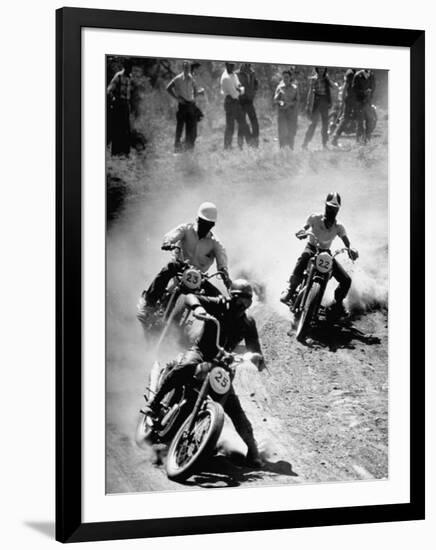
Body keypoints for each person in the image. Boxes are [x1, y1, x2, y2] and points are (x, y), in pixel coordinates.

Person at [144, 279, 265, 467]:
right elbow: (190, 296)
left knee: (233, 407)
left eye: (247, 301)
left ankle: (253, 448)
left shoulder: (248, 322)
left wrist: (257, 357)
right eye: (240, 299)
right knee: (185, 367)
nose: (243, 304)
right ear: (231, 296)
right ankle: (155, 402)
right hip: (201, 352)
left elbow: (254, 347)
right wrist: (198, 308)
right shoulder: (218, 304)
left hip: (223, 366)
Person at [137, 202, 232, 320]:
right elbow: (171, 236)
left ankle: (220, 328)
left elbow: (222, 263)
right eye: (202, 223)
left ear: (212, 225)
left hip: (199, 277)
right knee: (169, 267)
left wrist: (226, 278)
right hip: (179, 268)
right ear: (197, 219)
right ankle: (149, 304)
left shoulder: (215, 243)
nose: (204, 227)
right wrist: (168, 243)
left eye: (208, 225)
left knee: (220, 299)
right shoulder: (186, 229)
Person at [280, 192, 359, 316]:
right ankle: (290, 290)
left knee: (346, 280)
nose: (331, 210)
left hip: (326, 254)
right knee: (303, 258)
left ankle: (337, 304)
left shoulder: (339, 227)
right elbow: (305, 227)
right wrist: (301, 232)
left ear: (338, 209)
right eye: (329, 207)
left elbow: (346, 241)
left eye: (334, 208)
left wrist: (351, 249)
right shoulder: (315, 218)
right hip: (312, 247)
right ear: (325, 206)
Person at [166, 61, 204, 152]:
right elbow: (168, 88)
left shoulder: (191, 79)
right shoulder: (178, 78)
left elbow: (193, 93)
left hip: (191, 106)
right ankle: (177, 148)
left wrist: (199, 92)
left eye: (188, 68)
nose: (187, 69)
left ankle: (187, 149)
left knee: (191, 129)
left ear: (190, 69)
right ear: (183, 68)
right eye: (185, 68)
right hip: (183, 106)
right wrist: (177, 98)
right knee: (180, 127)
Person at [302, 67, 337, 150]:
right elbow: (310, 92)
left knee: (325, 124)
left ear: (325, 70)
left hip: (324, 102)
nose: (321, 71)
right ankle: (305, 143)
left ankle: (324, 144)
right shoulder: (314, 79)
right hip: (316, 102)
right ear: (317, 70)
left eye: (323, 69)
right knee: (313, 123)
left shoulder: (326, 79)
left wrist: (328, 79)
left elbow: (335, 87)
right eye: (320, 69)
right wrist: (308, 104)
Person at [220, 62, 251, 150]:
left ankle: (250, 144)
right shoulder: (225, 78)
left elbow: (240, 87)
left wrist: (239, 89)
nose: (232, 67)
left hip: (235, 102)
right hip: (230, 102)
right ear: (226, 65)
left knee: (243, 124)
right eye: (230, 65)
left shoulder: (233, 75)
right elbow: (235, 93)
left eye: (233, 65)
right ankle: (227, 147)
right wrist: (239, 90)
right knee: (230, 126)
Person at [107, 59, 133, 156]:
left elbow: (129, 93)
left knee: (126, 128)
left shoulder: (130, 77)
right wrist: (114, 99)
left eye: (131, 67)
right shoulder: (118, 76)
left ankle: (125, 152)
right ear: (125, 67)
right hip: (118, 104)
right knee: (117, 128)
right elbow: (109, 90)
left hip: (126, 104)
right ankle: (115, 152)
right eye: (129, 67)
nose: (130, 69)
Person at [274, 69, 300, 149]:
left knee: (291, 132)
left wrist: (290, 104)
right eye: (284, 77)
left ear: (290, 78)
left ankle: (290, 148)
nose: (285, 79)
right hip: (282, 113)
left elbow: (297, 101)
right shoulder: (279, 87)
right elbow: (275, 100)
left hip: (292, 113)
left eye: (287, 77)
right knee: (282, 131)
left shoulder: (295, 88)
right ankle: (282, 149)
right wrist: (281, 102)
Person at [331, 68, 357, 147]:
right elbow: (345, 87)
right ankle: (335, 137)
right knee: (345, 118)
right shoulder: (350, 74)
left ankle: (359, 139)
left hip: (353, 99)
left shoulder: (352, 73)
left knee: (348, 118)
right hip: (350, 99)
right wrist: (343, 99)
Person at [236, 63, 259, 147]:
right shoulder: (236, 74)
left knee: (254, 121)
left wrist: (254, 91)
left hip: (249, 101)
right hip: (240, 102)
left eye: (249, 65)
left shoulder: (252, 73)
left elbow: (256, 83)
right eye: (246, 65)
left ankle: (255, 142)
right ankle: (240, 144)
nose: (248, 67)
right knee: (242, 123)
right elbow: (235, 87)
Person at [352, 69, 376, 144]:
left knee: (370, 120)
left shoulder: (371, 75)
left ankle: (367, 140)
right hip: (359, 102)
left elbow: (374, 87)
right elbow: (354, 88)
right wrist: (363, 92)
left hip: (368, 102)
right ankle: (359, 141)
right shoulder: (358, 75)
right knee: (360, 122)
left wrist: (370, 94)